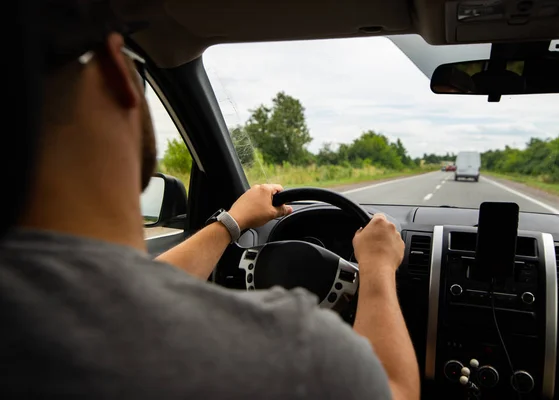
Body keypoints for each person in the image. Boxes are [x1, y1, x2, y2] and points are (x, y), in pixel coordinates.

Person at [0, 1, 419, 399]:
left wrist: (230, 223)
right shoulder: (294, 350)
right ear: (115, 71)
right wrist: (378, 268)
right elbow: (393, 388)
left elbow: (138, 289)